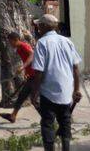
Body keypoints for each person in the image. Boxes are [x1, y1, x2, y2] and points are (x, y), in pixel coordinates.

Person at [30, 14, 82, 151]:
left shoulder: (42, 43)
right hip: (65, 92)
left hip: (48, 92)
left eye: (39, 25)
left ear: (43, 27)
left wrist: (34, 94)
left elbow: (39, 72)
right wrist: (76, 90)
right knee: (65, 122)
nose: (37, 28)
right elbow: (76, 67)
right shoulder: (67, 42)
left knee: (47, 124)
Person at [0, 31, 35, 123]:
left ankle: (48, 119)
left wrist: (23, 67)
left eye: (11, 42)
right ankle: (13, 115)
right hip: (31, 75)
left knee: (35, 100)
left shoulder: (23, 46)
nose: (10, 44)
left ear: (16, 40)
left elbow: (32, 54)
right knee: (22, 96)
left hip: (36, 76)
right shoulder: (19, 48)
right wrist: (26, 72)